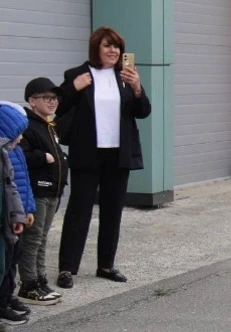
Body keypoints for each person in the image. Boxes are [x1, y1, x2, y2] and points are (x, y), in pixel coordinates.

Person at [54, 26, 151, 289]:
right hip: (88, 152)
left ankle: (106, 265)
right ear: (96, 47)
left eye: (117, 46)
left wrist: (138, 88)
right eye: (108, 45)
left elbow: (143, 112)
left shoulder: (126, 77)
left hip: (118, 153)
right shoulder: (77, 75)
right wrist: (74, 88)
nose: (113, 51)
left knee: (112, 210)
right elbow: (57, 107)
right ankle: (67, 268)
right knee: (79, 210)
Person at [18, 77, 70, 304]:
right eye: (47, 98)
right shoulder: (27, 126)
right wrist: (43, 157)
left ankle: (40, 280)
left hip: (52, 193)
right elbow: (19, 157)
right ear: (32, 101)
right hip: (37, 192)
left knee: (42, 237)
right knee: (32, 238)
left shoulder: (48, 125)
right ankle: (28, 285)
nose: (53, 102)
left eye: (55, 98)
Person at [0, 101, 36, 327]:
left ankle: (4, 302)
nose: (21, 139)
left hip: (4, 222)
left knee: (5, 265)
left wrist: (17, 216)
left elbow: (11, 186)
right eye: (17, 134)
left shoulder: (5, 155)